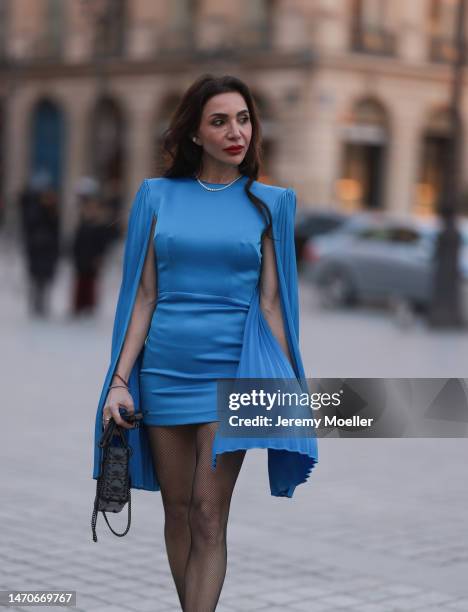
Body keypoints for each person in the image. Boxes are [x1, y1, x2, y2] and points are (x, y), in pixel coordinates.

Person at [92, 74, 318, 611]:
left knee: (207, 513)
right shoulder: (156, 195)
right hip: (165, 373)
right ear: (195, 133)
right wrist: (119, 382)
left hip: (232, 374)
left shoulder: (271, 203)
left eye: (243, 119)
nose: (235, 131)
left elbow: (272, 305)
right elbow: (144, 296)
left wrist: (287, 388)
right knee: (176, 511)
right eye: (219, 120)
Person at [19, 170, 60, 317]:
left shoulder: (52, 209)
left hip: (47, 251)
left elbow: (56, 229)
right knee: (36, 279)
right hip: (36, 250)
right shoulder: (32, 207)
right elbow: (28, 226)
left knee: (45, 280)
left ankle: (43, 304)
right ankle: (35, 304)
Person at [71, 178, 111, 316]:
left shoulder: (99, 224)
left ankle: (89, 306)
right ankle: (78, 306)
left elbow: (102, 242)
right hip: (81, 257)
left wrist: (100, 256)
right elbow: (76, 241)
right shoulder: (82, 223)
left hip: (92, 258)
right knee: (80, 283)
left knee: (90, 283)